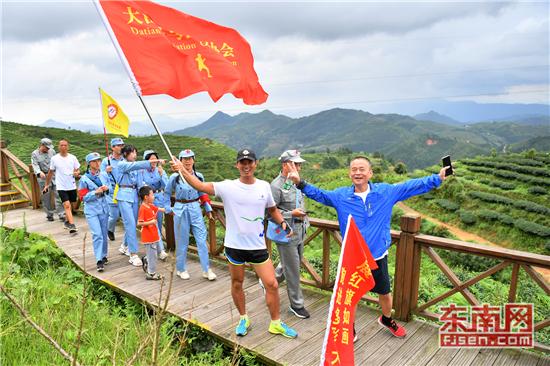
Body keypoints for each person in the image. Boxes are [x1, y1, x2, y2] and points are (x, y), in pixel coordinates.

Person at [286, 156, 449, 339]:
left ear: (370, 173)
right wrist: (299, 182)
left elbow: (411, 186)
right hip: (353, 258)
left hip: (378, 256)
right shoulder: (341, 197)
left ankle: (387, 319)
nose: (358, 172)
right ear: (349, 174)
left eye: (362, 169)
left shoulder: (385, 192)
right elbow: (319, 194)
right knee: (352, 297)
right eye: (354, 169)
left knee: (385, 294)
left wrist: (438, 178)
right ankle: (350, 327)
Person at [170, 148, 298, 339]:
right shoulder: (227, 186)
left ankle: (276, 323)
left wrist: (282, 222)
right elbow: (200, 186)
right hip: (234, 246)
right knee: (237, 283)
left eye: (250, 162)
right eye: (242, 163)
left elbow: (272, 210)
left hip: (257, 246)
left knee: (271, 284)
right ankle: (243, 318)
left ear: (255, 164)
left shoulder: (263, 186)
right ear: (237, 165)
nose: (246, 166)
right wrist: (183, 169)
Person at [268, 150, 310, 319]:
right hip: (286, 232)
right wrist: (290, 214)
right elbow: (270, 212)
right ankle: (297, 305)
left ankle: (270, 281)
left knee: (292, 263)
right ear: (285, 164)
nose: (299, 167)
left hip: (301, 230)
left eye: (299, 164)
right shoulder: (276, 185)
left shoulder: (296, 182)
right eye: (296, 164)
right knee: (293, 270)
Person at [164, 149, 216, 281]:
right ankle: (181, 269)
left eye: (190, 158)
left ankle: (206, 269)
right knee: (182, 241)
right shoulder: (174, 177)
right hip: (180, 208)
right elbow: (167, 193)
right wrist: (168, 208)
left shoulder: (198, 176)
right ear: (180, 161)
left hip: (195, 208)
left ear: (194, 160)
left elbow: (202, 192)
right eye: (185, 159)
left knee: (202, 239)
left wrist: (208, 207)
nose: (188, 161)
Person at [117, 145, 164, 267]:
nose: (134, 155)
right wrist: (152, 162)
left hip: (134, 196)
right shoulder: (121, 164)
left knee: (131, 223)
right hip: (124, 195)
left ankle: (125, 245)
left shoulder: (137, 168)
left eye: (135, 152)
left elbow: (140, 184)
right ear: (126, 154)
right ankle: (133, 254)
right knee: (131, 224)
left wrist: (147, 197)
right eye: (132, 152)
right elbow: (134, 165)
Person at [78, 153, 110, 272]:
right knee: (97, 234)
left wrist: (107, 189)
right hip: (91, 210)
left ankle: (104, 255)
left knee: (103, 233)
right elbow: (82, 196)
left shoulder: (104, 175)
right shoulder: (84, 179)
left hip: (104, 208)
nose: (98, 163)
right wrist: (95, 192)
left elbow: (110, 187)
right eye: (94, 161)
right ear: (89, 164)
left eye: (99, 160)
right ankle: (99, 260)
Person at [43, 139, 81, 235]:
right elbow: (50, 172)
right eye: (61, 145)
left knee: (72, 204)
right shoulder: (54, 159)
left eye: (65, 145)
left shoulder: (73, 157)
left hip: (71, 185)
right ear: (58, 147)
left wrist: (77, 173)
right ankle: (72, 225)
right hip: (61, 186)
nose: (63, 147)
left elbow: (77, 169)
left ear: (68, 147)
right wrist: (46, 185)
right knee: (67, 205)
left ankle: (67, 222)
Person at [137, 150, 168, 261]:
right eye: (151, 159)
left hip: (159, 198)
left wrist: (161, 174)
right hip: (147, 200)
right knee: (152, 224)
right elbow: (140, 186)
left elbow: (167, 185)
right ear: (146, 160)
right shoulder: (141, 171)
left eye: (156, 158)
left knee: (158, 224)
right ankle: (161, 250)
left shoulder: (160, 170)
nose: (154, 161)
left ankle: (156, 247)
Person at [31, 138, 64, 222]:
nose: (48, 149)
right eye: (47, 147)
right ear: (42, 145)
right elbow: (35, 165)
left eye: (49, 147)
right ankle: (49, 214)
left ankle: (62, 214)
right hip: (44, 178)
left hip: (54, 176)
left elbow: (57, 162)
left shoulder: (52, 151)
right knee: (46, 197)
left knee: (59, 194)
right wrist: (39, 172)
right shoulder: (35, 154)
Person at [138, 186, 165, 280]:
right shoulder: (143, 208)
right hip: (149, 237)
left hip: (154, 235)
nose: (154, 196)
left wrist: (172, 210)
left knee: (154, 253)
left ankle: (146, 259)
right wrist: (151, 222)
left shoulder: (150, 205)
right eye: (152, 194)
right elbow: (139, 223)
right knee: (153, 256)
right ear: (146, 197)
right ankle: (151, 274)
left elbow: (159, 209)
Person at [100, 137, 125, 241]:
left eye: (122, 145)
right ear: (112, 147)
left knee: (125, 216)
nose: (121, 147)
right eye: (118, 145)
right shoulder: (106, 161)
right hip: (112, 192)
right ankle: (110, 229)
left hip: (124, 191)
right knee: (114, 216)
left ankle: (127, 240)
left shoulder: (125, 159)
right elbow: (100, 176)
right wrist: (106, 171)